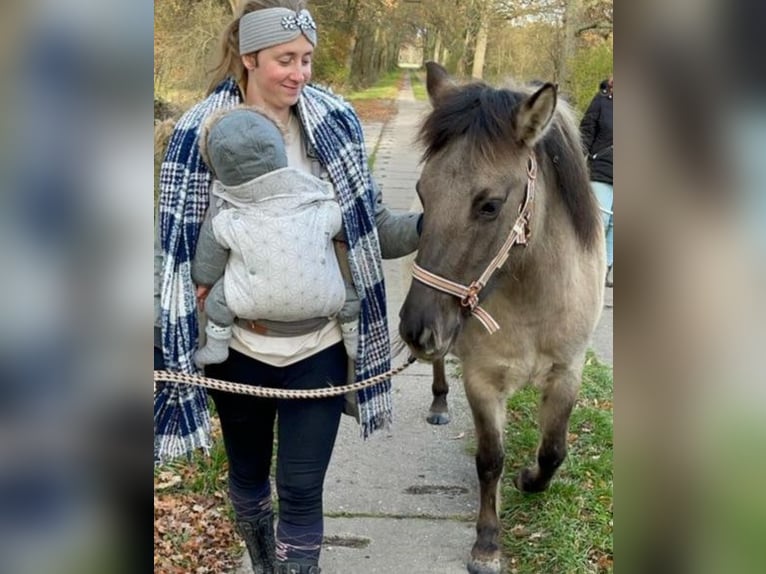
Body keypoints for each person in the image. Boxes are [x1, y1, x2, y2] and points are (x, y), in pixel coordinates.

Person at [154, 2, 421, 573]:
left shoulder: (335, 124)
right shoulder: (200, 133)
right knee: (249, 480)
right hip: (237, 351)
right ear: (249, 58)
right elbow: (174, 245)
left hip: (318, 349)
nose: (299, 73)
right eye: (285, 60)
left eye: (306, 59)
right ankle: (263, 563)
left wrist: (437, 225)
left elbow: (368, 228)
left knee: (301, 490)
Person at [191, 106, 360, 368]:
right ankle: (353, 338)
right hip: (323, 305)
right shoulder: (318, 202)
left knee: (218, 301)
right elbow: (354, 228)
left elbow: (206, 265)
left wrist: (203, 281)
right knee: (347, 297)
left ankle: (216, 345)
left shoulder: (225, 219)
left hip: (248, 306)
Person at [581, 75, 614, 287]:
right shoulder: (601, 103)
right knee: (598, 221)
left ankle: (605, 271)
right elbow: (584, 134)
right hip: (601, 172)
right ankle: (587, 266)